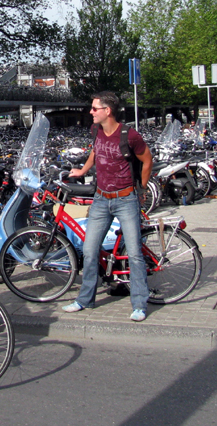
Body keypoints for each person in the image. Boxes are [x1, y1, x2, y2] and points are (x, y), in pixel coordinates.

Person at [63, 92, 153, 322]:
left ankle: (140, 304)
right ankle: (85, 300)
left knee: (134, 254)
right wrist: (82, 171)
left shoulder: (129, 135)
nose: (91, 112)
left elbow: (147, 160)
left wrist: (141, 188)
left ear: (107, 111)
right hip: (101, 199)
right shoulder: (96, 131)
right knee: (90, 251)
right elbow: (95, 151)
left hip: (125, 200)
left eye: (95, 108)